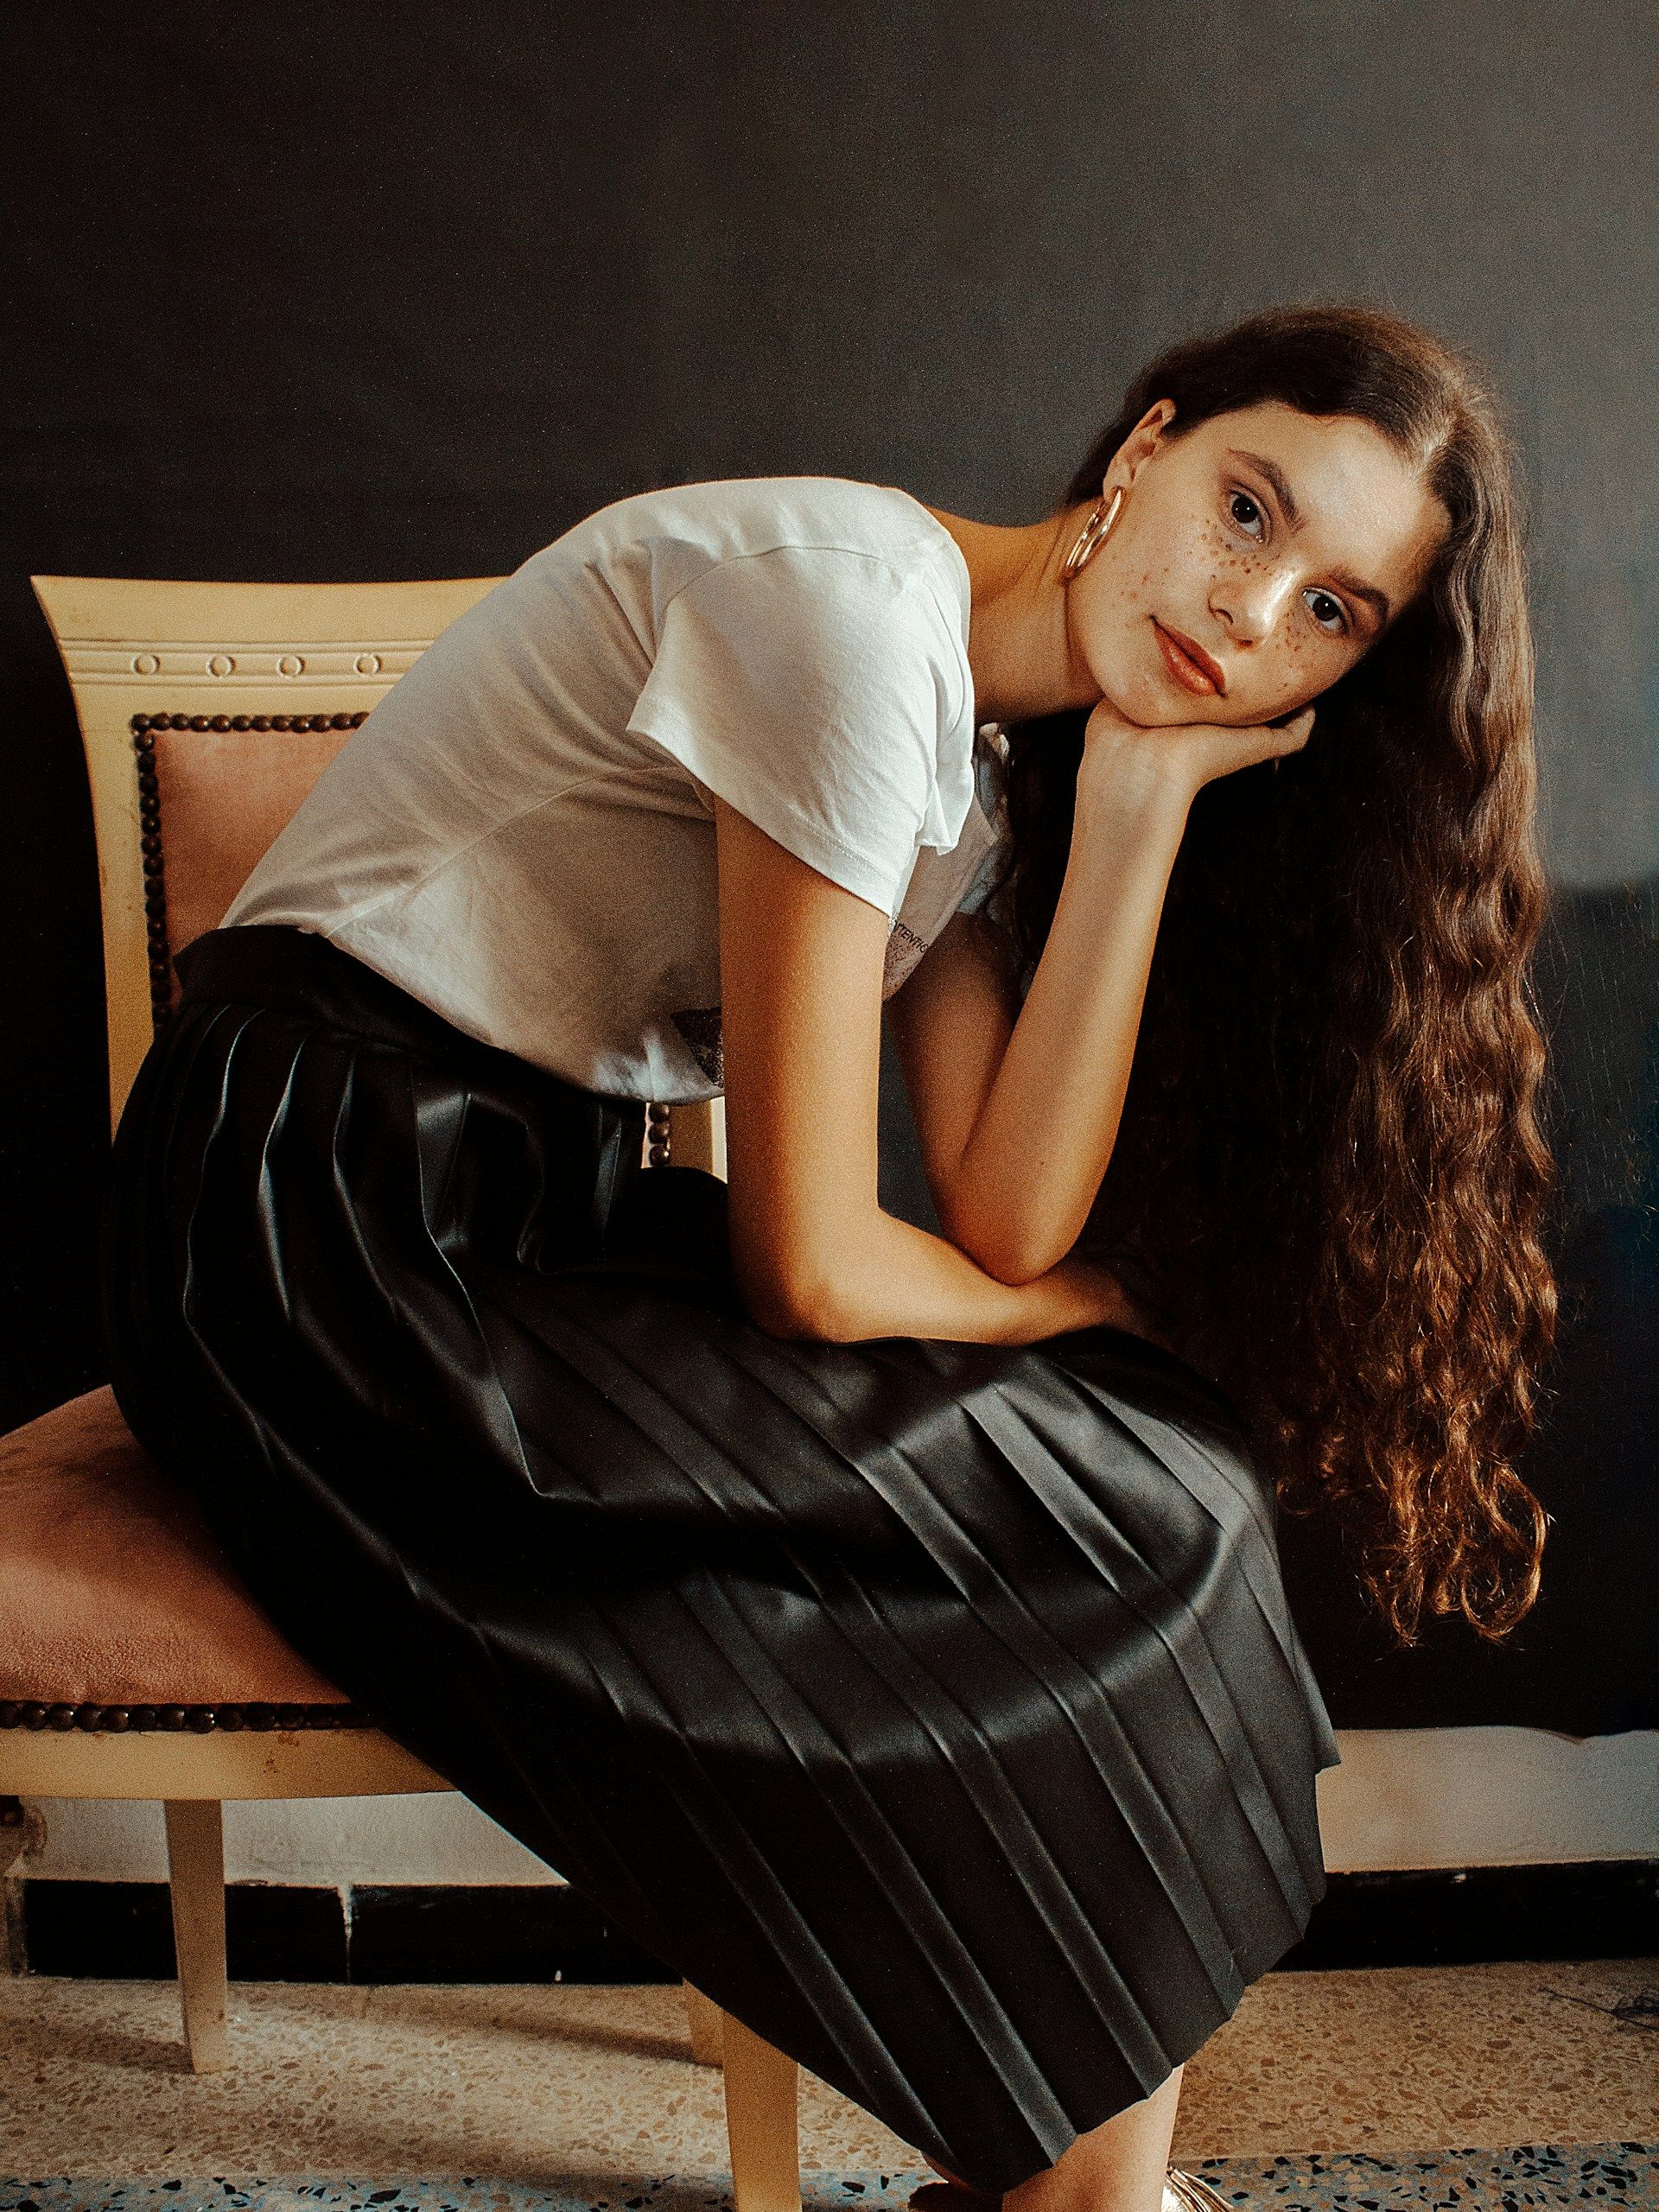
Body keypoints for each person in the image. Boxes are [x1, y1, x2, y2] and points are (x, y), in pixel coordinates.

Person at [100, 299, 1558, 2212]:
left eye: (1330, 612)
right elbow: (817, 1261)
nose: (1250, 608)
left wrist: (1130, 809)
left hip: (505, 1212)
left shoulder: (986, 744)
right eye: (1247, 508)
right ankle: (1089, 2200)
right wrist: (1092, 1307)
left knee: (1172, 1473)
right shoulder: (855, 622)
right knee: (1131, 1485)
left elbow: (1000, 1206)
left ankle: (1064, 2189)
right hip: (304, 1219)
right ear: (1147, 446)